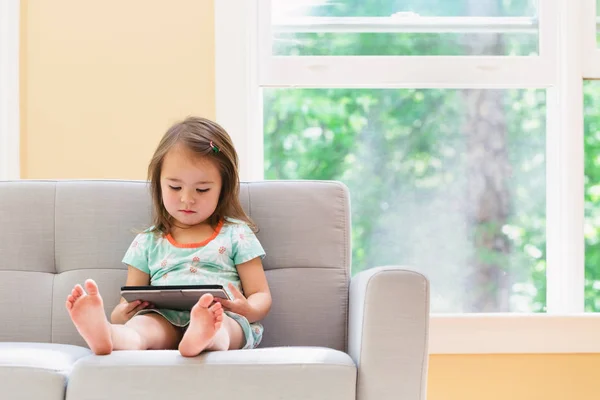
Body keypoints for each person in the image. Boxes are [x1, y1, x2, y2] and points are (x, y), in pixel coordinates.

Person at [65, 116, 272, 357]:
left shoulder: (236, 233)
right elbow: (128, 300)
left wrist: (247, 308)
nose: (187, 199)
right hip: (163, 317)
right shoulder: (148, 240)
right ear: (159, 185)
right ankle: (108, 335)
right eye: (175, 187)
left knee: (223, 328)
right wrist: (121, 314)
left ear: (223, 188)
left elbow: (261, 294)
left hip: (223, 314)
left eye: (202, 190)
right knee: (141, 328)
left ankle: (204, 336)